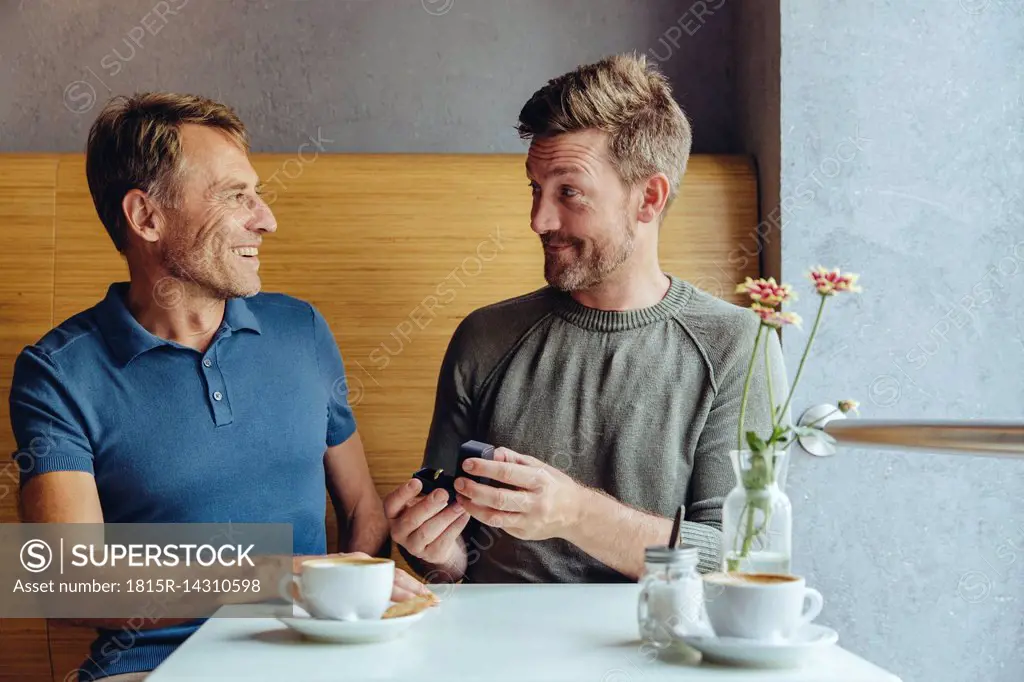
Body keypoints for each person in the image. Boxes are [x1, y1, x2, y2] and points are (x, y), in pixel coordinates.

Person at [8, 93, 428, 682]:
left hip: (315, 657)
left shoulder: (301, 329)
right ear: (146, 217)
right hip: (151, 668)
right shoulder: (57, 373)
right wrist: (281, 576)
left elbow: (362, 509)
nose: (265, 218)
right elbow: (66, 583)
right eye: (235, 196)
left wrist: (354, 610)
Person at [385, 53, 788, 585]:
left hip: (656, 651)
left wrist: (575, 513)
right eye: (535, 188)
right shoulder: (484, 338)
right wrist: (435, 551)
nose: (540, 220)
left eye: (568, 192)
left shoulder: (738, 347)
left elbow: (741, 559)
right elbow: (455, 561)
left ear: (649, 198)